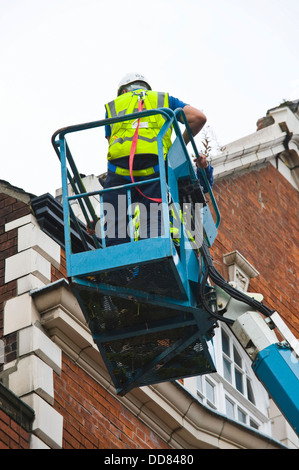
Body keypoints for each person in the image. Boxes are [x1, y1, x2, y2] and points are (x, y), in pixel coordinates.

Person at [100, 73, 213, 246]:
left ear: (123, 91)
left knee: (115, 230)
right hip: (155, 167)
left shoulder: (112, 107)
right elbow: (199, 118)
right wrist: (178, 147)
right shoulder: (164, 100)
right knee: (153, 231)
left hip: (119, 170)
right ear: (146, 88)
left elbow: (112, 144)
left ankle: (117, 261)